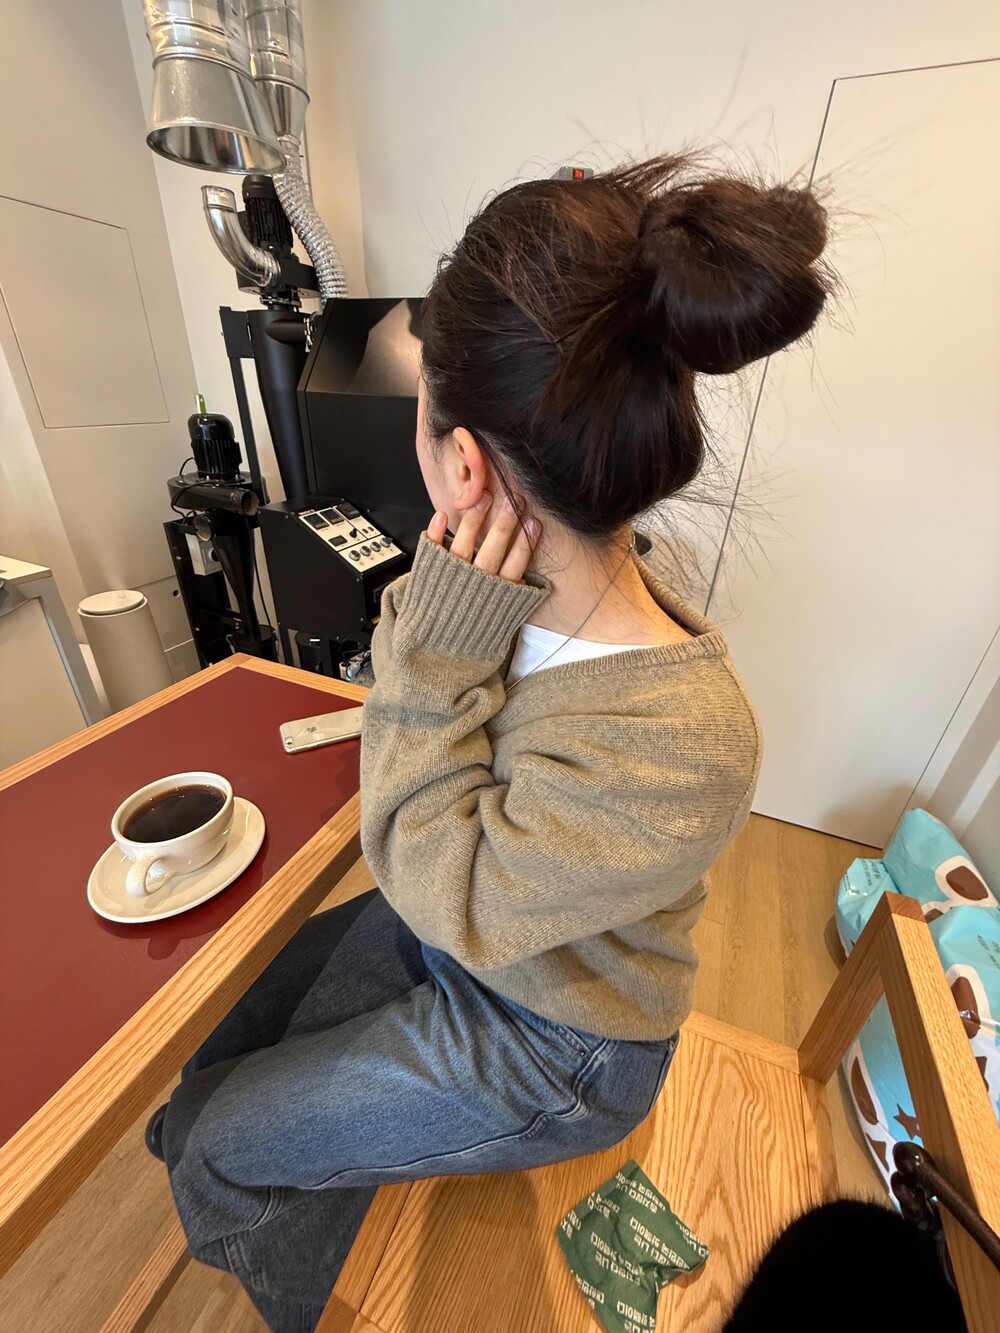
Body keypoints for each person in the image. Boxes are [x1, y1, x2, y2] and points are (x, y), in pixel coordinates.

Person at [151, 154, 830, 1331]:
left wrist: (435, 645)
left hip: (561, 1038)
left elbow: (440, 887)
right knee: (210, 1055)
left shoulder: (683, 737)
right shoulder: (492, 581)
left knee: (211, 1154)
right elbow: (420, 748)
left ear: (461, 463)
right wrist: (441, 630)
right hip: (470, 940)